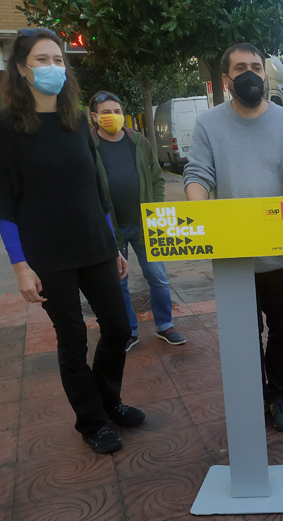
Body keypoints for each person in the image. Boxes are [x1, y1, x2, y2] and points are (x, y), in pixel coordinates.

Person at [0, 28, 143, 454]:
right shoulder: (2, 126)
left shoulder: (76, 120)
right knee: (72, 339)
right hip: (48, 254)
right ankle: (90, 420)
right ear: (21, 68)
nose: (53, 67)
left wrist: (112, 244)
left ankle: (109, 401)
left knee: (117, 327)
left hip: (94, 244)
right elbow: (3, 202)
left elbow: (96, 189)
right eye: (42, 59)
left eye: (58, 59)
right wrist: (20, 264)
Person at [184, 42, 283, 431]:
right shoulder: (209, 124)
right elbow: (198, 175)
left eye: (256, 66)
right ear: (226, 79)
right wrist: (200, 214)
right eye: (240, 67)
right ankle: (249, 393)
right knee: (243, 334)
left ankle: (278, 395)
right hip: (234, 255)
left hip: (282, 253)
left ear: (265, 73)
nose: (250, 74)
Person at [89, 91, 186, 351]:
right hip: (111, 229)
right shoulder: (88, 145)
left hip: (145, 225)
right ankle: (129, 331)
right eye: (106, 113)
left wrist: (154, 211)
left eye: (117, 112)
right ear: (94, 116)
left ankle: (165, 325)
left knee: (158, 277)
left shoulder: (138, 142)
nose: (113, 117)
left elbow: (157, 178)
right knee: (118, 283)